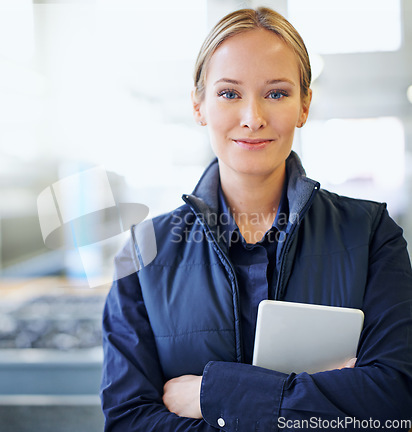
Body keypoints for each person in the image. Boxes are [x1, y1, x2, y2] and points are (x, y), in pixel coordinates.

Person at [100, 7, 412, 431]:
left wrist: (214, 394)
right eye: (229, 94)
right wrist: (318, 405)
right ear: (199, 105)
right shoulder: (143, 252)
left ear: (304, 105)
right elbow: (127, 420)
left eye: (277, 93)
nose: (253, 117)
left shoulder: (371, 233)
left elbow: (395, 401)